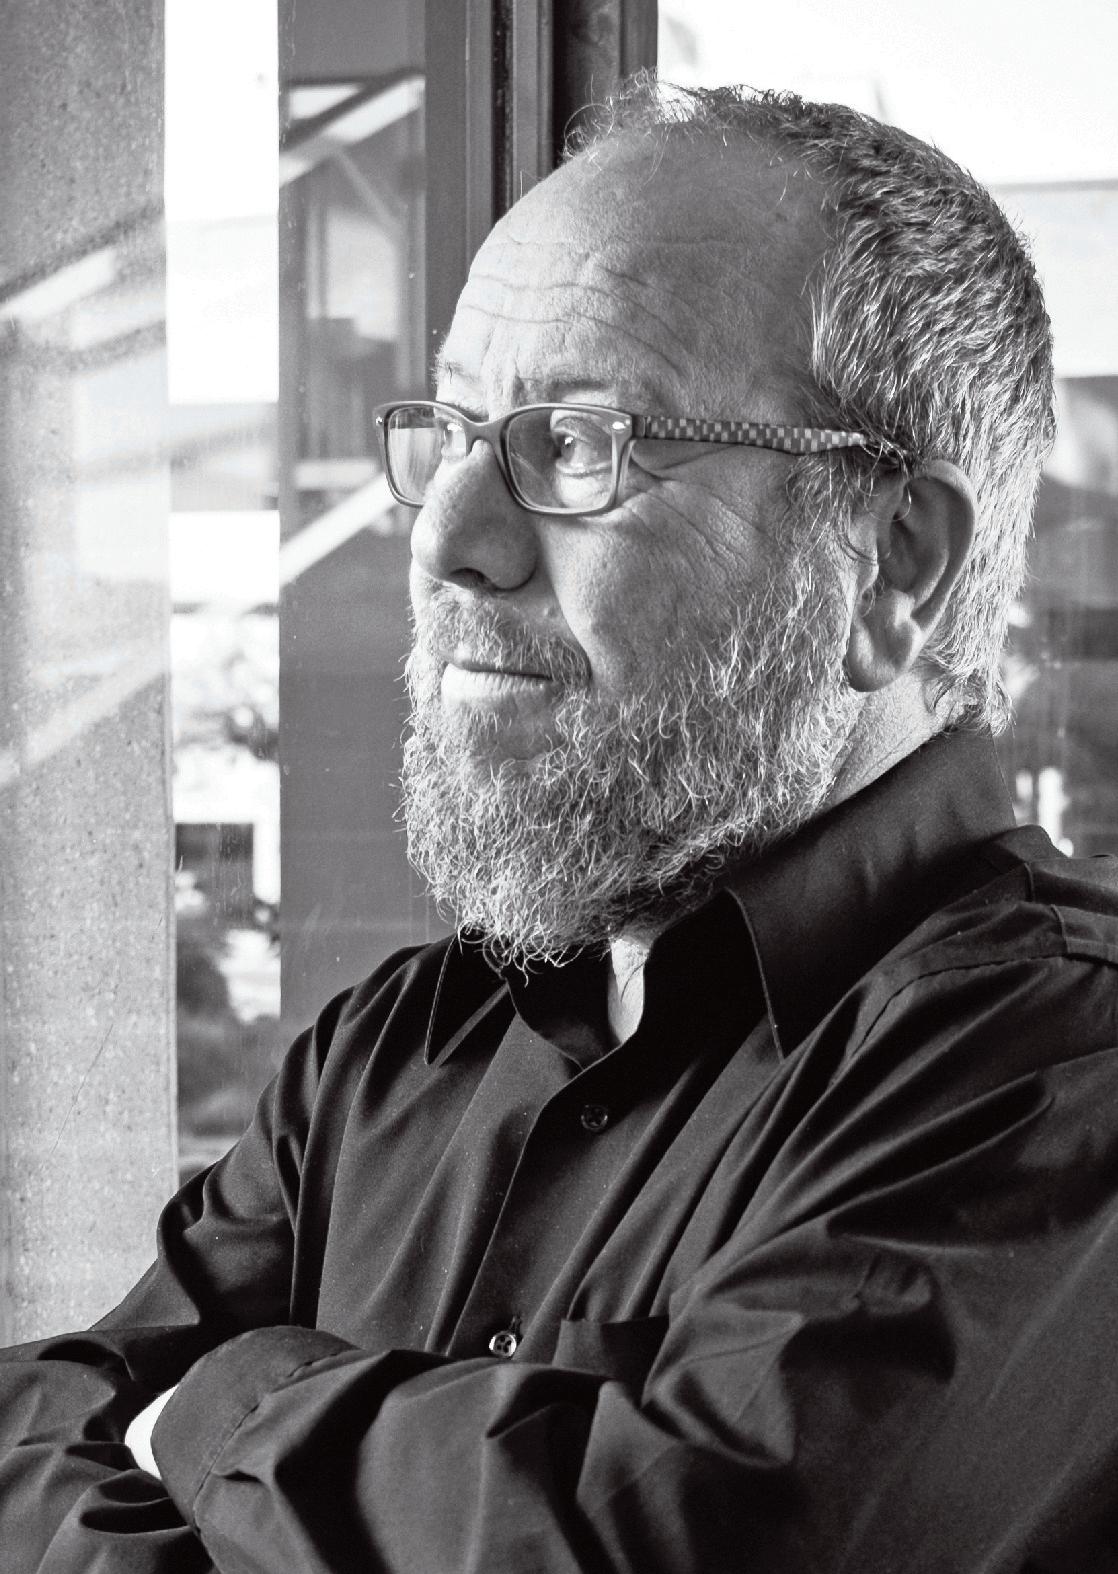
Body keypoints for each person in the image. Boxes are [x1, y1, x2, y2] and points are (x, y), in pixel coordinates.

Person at [2, 75, 1118, 1574]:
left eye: (580, 444)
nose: (449, 541)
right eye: (452, 432)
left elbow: (670, 1547)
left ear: (893, 561)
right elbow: (29, 1431)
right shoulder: (394, 1050)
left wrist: (227, 1406)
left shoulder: (1055, 1070)